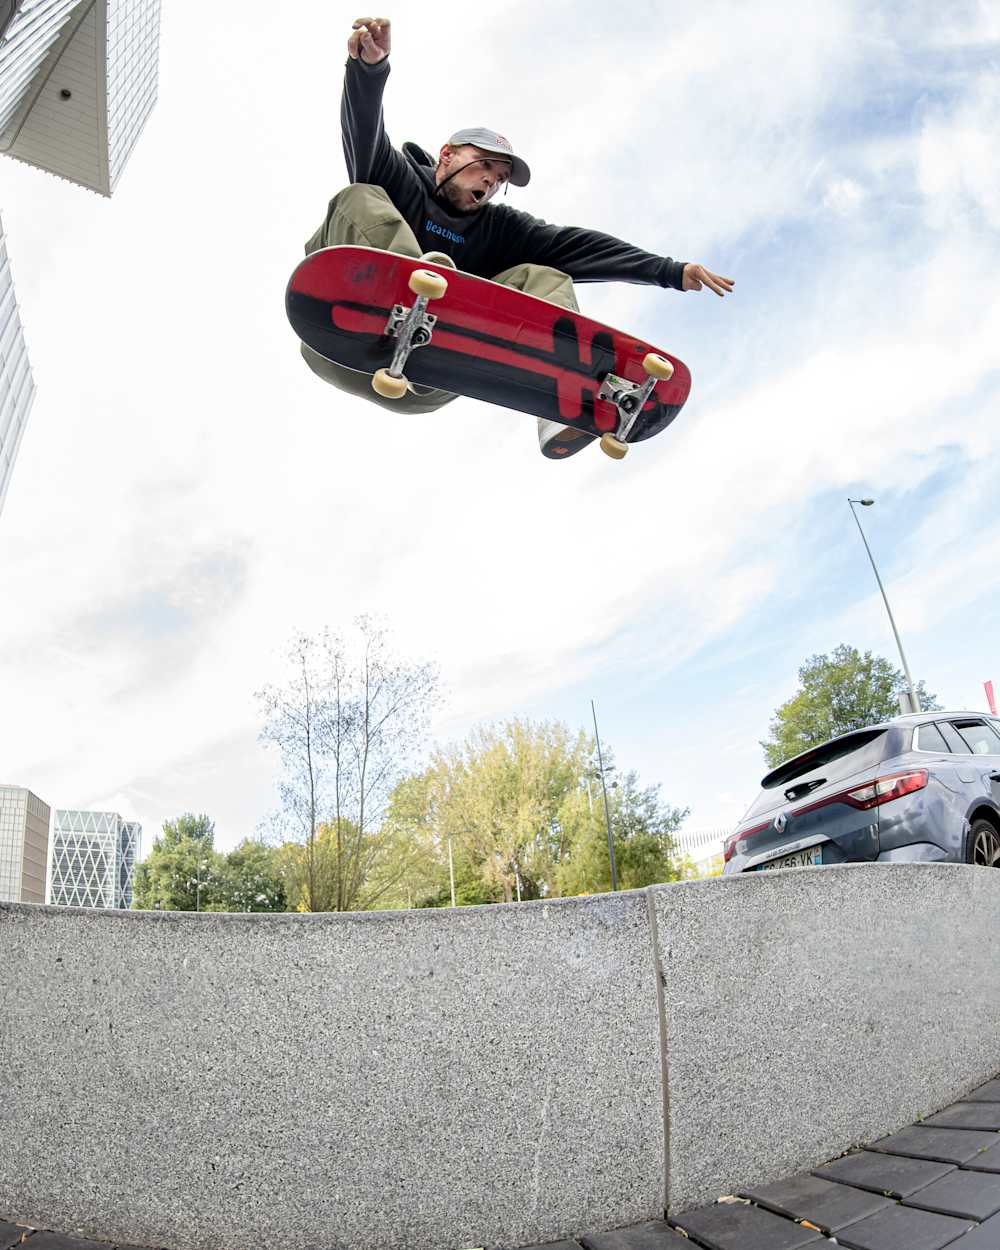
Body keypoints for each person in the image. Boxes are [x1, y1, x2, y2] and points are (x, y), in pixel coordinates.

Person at [301, 15, 734, 458]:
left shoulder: (499, 229)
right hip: (335, 338)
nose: (490, 181)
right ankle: (408, 292)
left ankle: (566, 403)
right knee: (360, 196)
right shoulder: (399, 177)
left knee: (545, 276)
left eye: (500, 178)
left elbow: (577, 246)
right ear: (447, 155)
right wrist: (369, 70)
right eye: (484, 165)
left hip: (422, 383)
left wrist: (670, 271)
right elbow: (364, 130)